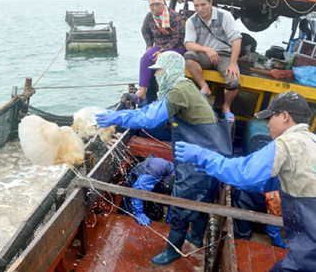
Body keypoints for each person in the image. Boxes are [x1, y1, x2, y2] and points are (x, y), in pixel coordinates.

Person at [96, 51, 232, 265]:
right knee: (203, 198)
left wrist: (117, 117)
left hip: (198, 157)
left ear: (170, 70)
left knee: (180, 202)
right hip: (212, 153)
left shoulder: (178, 90)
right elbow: (152, 109)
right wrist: (124, 115)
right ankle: (196, 236)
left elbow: (150, 118)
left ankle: (174, 250)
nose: (156, 75)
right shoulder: (185, 86)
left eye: (159, 70)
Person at [175, 91, 315, 271]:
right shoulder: (311, 141)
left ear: (285, 116)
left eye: (270, 118)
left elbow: (244, 173)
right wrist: (216, 171)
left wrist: (204, 157)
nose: (268, 125)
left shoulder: (288, 143)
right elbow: (268, 182)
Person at [184, 0, 242, 123]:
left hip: (225, 55)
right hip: (204, 55)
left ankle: (226, 106)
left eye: (203, 5)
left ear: (211, 2)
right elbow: (189, 44)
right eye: (196, 6)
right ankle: (204, 86)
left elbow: (237, 40)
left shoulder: (225, 16)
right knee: (189, 57)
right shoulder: (191, 21)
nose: (200, 9)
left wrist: (233, 64)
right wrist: (206, 49)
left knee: (234, 80)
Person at [138, 0, 185, 104]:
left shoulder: (174, 16)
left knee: (162, 59)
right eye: (152, 5)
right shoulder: (149, 17)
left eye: (157, 4)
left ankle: (165, 96)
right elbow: (144, 31)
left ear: (163, 3)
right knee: (145, 58)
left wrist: (162, 51)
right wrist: (149, 45)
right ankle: (143, 91)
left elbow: (177, 38)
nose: (154, 7)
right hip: (158, 46)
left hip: (176, 47)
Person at [122, 156, 175, 226]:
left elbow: (174, 204)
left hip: (155, 187)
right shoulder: (158, 166)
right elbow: (137, 191)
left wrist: (170, 224)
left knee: (157, 215)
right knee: (130, 217)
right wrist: (138, 213)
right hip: (136, 185)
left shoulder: (181, 183)